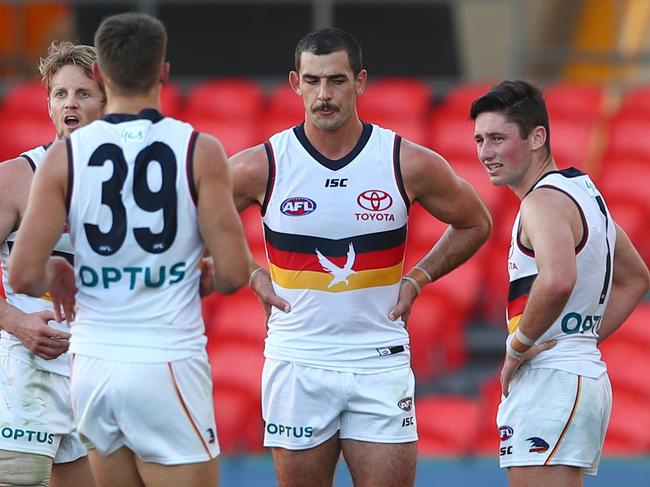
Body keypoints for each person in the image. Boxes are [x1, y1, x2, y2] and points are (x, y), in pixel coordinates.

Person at [230, 28, 492, 487]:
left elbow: (475, 221)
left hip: (378, 360)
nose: (323, 95)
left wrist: (418, 278)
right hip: (298, 359)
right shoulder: (263, 164)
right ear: (295, 83)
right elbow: (192, 223)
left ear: (360, 81)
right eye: (312, 81)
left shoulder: (403, 160)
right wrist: (252, 275)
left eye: (336, 80)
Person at [8, 12, 251, 487]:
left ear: (102, 76)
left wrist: (56, 273)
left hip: (93, 366)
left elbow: (21, 274)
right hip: (164, 358)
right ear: (163, 72)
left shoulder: (64, 155)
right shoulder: (197, 148)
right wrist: (203, 272)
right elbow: (235, 272)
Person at [470, 80, 650, 486]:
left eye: (498, 138)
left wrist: (517, 349)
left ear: (537, 137)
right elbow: (636, 278)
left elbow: (558, 279)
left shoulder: (542, 201)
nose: (486, 152)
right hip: (573, 373)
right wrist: (580, 340)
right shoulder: (585, 194)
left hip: (552, 379)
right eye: (480, 139)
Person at [0, 40, 104, 487]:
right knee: (18, 479)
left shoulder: (133, 184)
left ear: (108, 100)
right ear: (48, 104)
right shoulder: (17, 177)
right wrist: (16, 322)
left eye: (83, 93)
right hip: (24, 361)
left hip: (92, 364)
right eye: (60, 94)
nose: (70, 104)